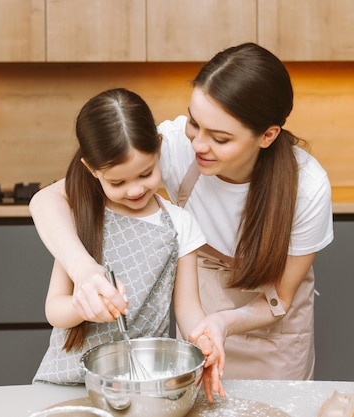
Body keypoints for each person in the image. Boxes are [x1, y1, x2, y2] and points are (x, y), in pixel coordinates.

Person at [30, 43, 333, 382]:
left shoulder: (307, 187)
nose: (199, 145)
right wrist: (84, 272)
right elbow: (47, 200)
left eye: (219, 138)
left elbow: (281, 297)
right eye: (194, 122)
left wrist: (222, 321)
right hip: (198, 336)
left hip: (273, 337)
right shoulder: (172, 145)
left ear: (267, 135)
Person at [32, 88, 224, 400]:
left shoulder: (180, 224)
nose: (135, 190)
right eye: (117, 182)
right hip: (68, 385)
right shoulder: (81, 216)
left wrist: (202, 336)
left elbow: (188, 308)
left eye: (146, 174)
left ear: (159, 148)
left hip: (143, 388)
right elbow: (55, 310)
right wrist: (83, 308)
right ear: (93, 170)